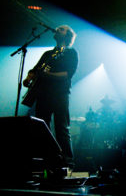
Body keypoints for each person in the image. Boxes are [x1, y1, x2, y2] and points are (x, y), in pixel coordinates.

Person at [23, 25, 79, 168]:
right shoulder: (48, 54)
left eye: (62, 29)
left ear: (68, 35)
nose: (57, 29)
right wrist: (29, 77)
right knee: (43, 127)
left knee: (62, 128)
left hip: (60, 94)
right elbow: (35, 70)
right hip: (43, 94)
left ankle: (68, 162)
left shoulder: (71, 53)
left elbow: (67, 75)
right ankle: (47, 160)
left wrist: (46, 74)